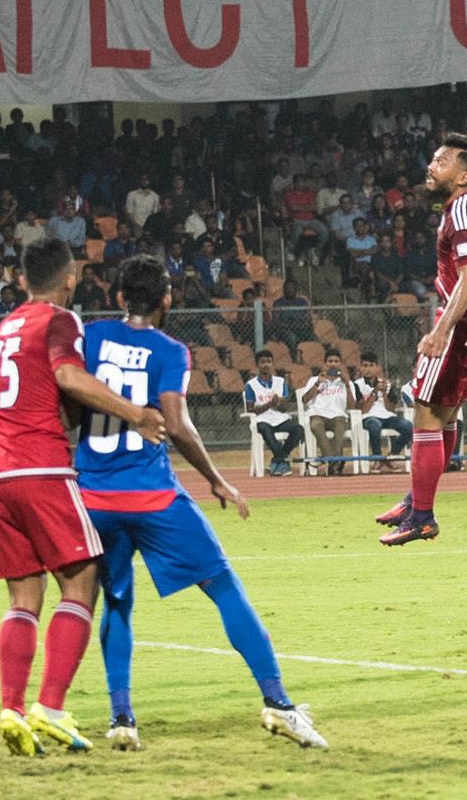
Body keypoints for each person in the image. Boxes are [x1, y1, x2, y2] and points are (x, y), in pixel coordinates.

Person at [74, 256, 326, 751]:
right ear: (167, 299)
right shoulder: (170, 351)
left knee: (118, 601)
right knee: (223, 585)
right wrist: (215, 480)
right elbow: (177, 424)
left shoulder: (93, 337)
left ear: (121, 297)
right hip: (152, 494)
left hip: (94, 495)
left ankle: (121, 717)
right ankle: (278, 704)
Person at [0, 239, 167, 757]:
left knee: (23, 598)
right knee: (82, 582)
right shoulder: (61, 320)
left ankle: (12, 709)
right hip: (40, 467)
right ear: (69, 279)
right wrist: (134, 412)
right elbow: (66, 376)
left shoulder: (6, 325)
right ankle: (53, 706)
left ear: (22, 280)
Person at [377, 133, 467, 546]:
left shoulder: (459, 210)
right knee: (447, 416)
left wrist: (439, 332)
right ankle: (417, 500)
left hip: (461, 328)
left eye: (441, 162)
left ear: (464, 174)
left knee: (426, 413)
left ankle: (421, 515)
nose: (431, 166)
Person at [244, 350, 303, 477]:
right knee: (265, 430)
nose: (266, 365)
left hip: (279, 418)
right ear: (257, 364)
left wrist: (278, 403)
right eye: (262, 362)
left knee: (298, 429)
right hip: (262, 419)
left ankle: (277, 460)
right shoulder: (251, 385)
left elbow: (283, 408)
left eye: (269, 362)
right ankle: (282, 460)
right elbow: (249, 409)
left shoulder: (280, 382)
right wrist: (269, 405)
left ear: (273, 364)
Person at [352, 351, 411, 469]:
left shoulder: (387, 383)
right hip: (368, 417)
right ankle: (377, 458)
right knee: (375, 425)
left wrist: (384, 394)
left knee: (408, 426)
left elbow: (391, 409)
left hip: (387, 417)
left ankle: (392, 456)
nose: (368, 369)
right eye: (365, 366)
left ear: (377, 367)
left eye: (371, 365)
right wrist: (375, 392)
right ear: (360, 368)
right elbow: (363, 410)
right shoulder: (356, 385)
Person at [297, 349, 351, 476]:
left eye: (336, 361)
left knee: (339, 431)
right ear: (325, 364)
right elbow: (304, 400)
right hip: (318, 415)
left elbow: (352, 405)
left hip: (338, 417)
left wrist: (347, 384)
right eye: (330, 361)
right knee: (315, 425)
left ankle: (332, 464)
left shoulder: (345, 382)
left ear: (341, 364)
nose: (333, 364)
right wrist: (317, 384)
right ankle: (334, 463)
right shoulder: (314, 380)